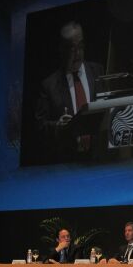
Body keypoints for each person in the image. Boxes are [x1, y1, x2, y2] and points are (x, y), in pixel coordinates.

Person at [35, 21, 104, 163]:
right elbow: (39, 127)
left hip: (99, 160)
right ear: (61, 49)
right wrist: (57, 127)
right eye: (72, 49)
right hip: (67, 163)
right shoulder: (49, 85)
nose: (78, 54)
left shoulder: (97, 72)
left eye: (81, 46)